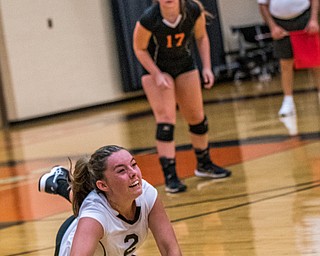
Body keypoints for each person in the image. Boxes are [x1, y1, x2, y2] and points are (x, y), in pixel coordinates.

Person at [132, 0, 231, 194]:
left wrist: (208, 67)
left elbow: (201, 37)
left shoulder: (193, 10)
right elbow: (139, 48)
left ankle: (204, 165)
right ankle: (171, 177)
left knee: (197, 117)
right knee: (166, 120)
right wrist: (157, 74)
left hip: (184, 65)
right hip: (156, 69)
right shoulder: (149, 19)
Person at [38, 145, 182, 256]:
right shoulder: (94, 216)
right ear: (103, 184)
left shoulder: (147, 193)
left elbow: (170, 249)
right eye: (121, 170)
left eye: (133, 164)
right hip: (72, 242)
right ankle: (60, 184)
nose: (133, 173)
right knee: (94, 204)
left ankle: (59, 183)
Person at [257, 0, 320, 117]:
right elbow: (262, 6)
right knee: (285, 63)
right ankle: (288, 100)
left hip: (304, 17)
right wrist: (273, 27)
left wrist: (314, 19)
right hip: (279, 22)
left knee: (315, 61)